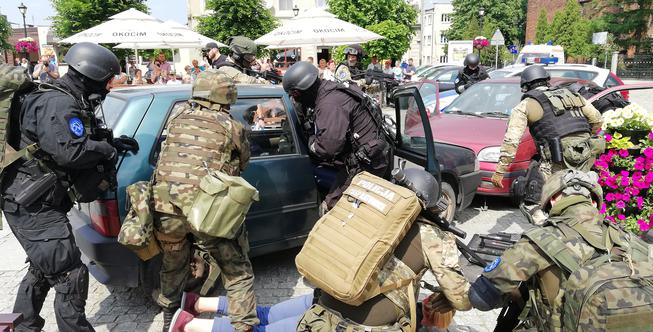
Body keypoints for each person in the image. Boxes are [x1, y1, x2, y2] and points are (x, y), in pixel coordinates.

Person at [169, 169, 471, 332]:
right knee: (260, 327)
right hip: (359, 322)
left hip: (327, 294)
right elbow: (459, 295)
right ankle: (191, 324)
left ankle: (196, 307)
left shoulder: (371, 211)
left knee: (265, 315)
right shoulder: (433, 236)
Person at [2, 42, 138, 332]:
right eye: (105, 81)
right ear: (90, 75)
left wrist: (111, 142)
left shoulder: (64, 98)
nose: (107, 88)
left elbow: (64, 144)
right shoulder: (58, 103)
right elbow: (71, 153)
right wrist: (106, 150)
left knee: (44, 268)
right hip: (33, 206)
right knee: (69, 274)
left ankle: (22, 326)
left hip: (33, 202)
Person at [468, 169, 653, 331]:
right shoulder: (631, 240)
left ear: (553, 199)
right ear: (594, 202)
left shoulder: (541, 240)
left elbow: (481, 299)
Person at [151, 70, 257, 332]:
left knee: (173, 265)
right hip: (208, 212)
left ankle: (170, 319)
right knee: (237, 272)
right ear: (227, 97)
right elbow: (243, 163)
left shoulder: (177, 119)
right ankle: (243, 326)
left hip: (166, 211)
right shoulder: (232, 126)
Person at [490, 65, 603, 224]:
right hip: (585, 156)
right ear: (547, 80)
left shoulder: (526, 105)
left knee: (531, 195)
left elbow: (511, 142)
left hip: (556, 162)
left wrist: (500, 171)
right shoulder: (572, 95)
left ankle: (542, 224)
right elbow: (597, 120)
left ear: (525, 86)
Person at [283, 61, 391, 209]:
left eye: (294, 95)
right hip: (368, 154)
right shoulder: (329, 89)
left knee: (331, 208)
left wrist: (311, 141)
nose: (295, 99)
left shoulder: (329, 104)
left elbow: (327, 148)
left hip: (366, 164)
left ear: (300, 91)